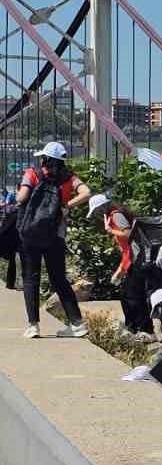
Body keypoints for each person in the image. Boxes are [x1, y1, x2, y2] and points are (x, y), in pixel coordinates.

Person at [15, 142, 91, 339]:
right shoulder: (69, 178)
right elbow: (86, 192)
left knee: (31, 278)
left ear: (45, 158)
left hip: (30, 233)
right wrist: (66, 204)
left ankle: (33, 326)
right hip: (55, 235)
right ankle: (77, 324)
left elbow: (22, 198)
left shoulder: (32, 173)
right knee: (58, 278)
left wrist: (18, 193)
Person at [88, 194, 156, 338]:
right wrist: (120, 271)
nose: (96, 215)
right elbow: (126, 251)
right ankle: (131, 328)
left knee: (134, 296)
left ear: (102, 208)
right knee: (126, 296)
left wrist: (111, 231)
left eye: (96, 212)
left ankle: (146, 330)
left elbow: (128, 234)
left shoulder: (116, 215)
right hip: (132, 259)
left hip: (138, 259)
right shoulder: (112, 217)